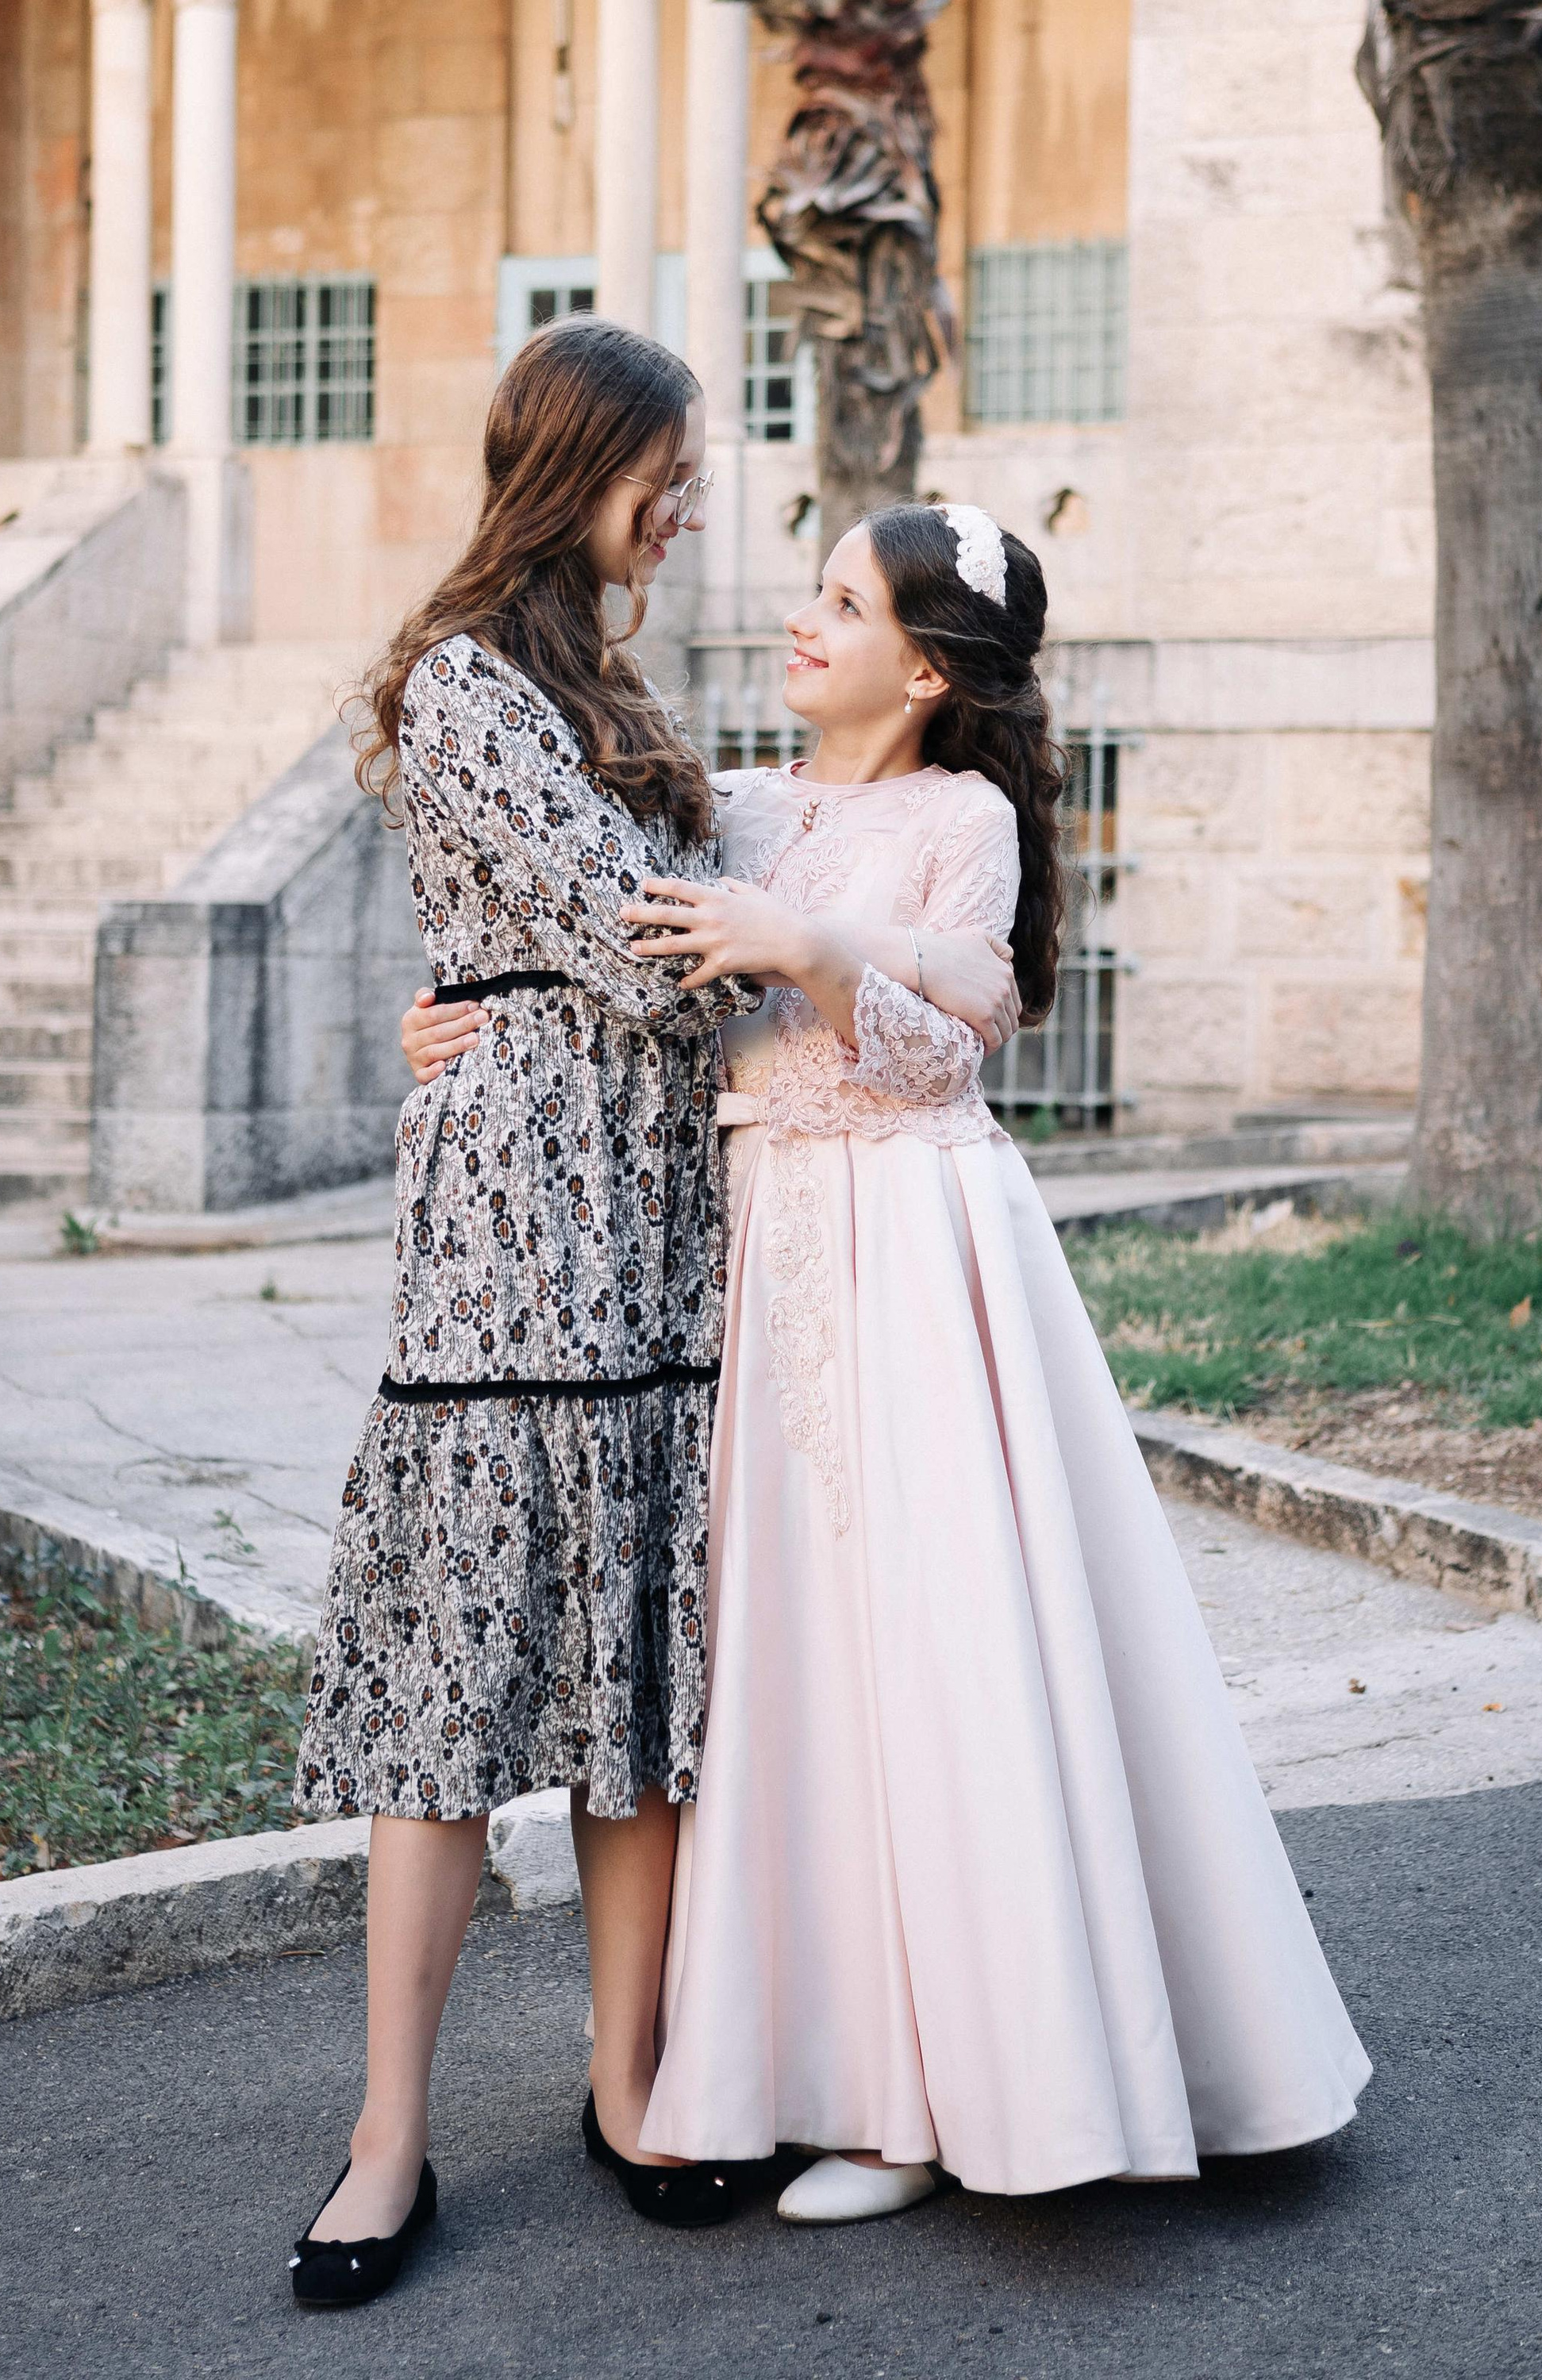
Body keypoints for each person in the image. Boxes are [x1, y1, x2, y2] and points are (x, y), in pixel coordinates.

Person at [410, 498, 1371, 2228]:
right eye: (815, 591)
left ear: (924, 669)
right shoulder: (727, 805)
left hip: (912, 1250)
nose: (804, 621)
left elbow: (948, 1047)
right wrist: (446, 1023)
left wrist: (815, 949)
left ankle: (939, 2092)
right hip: (749, 1254)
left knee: (926, 1645)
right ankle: (821, 2065)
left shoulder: (962, 819)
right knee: (785, 1661)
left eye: (842, 604)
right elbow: (596, 966)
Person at [286, 328, 1017, 2311]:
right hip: (509, 1247)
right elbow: (645, 950)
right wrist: (822, 956)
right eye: (665, 475)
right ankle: (386, 2138)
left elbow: (709, 914)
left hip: (672, 1231)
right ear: (580, 465)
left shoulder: (611, 687)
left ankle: (630, 2081)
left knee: (640, 1689)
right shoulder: (463, 680)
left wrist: (835, 943)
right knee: (449, 1691)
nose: (685, 511)